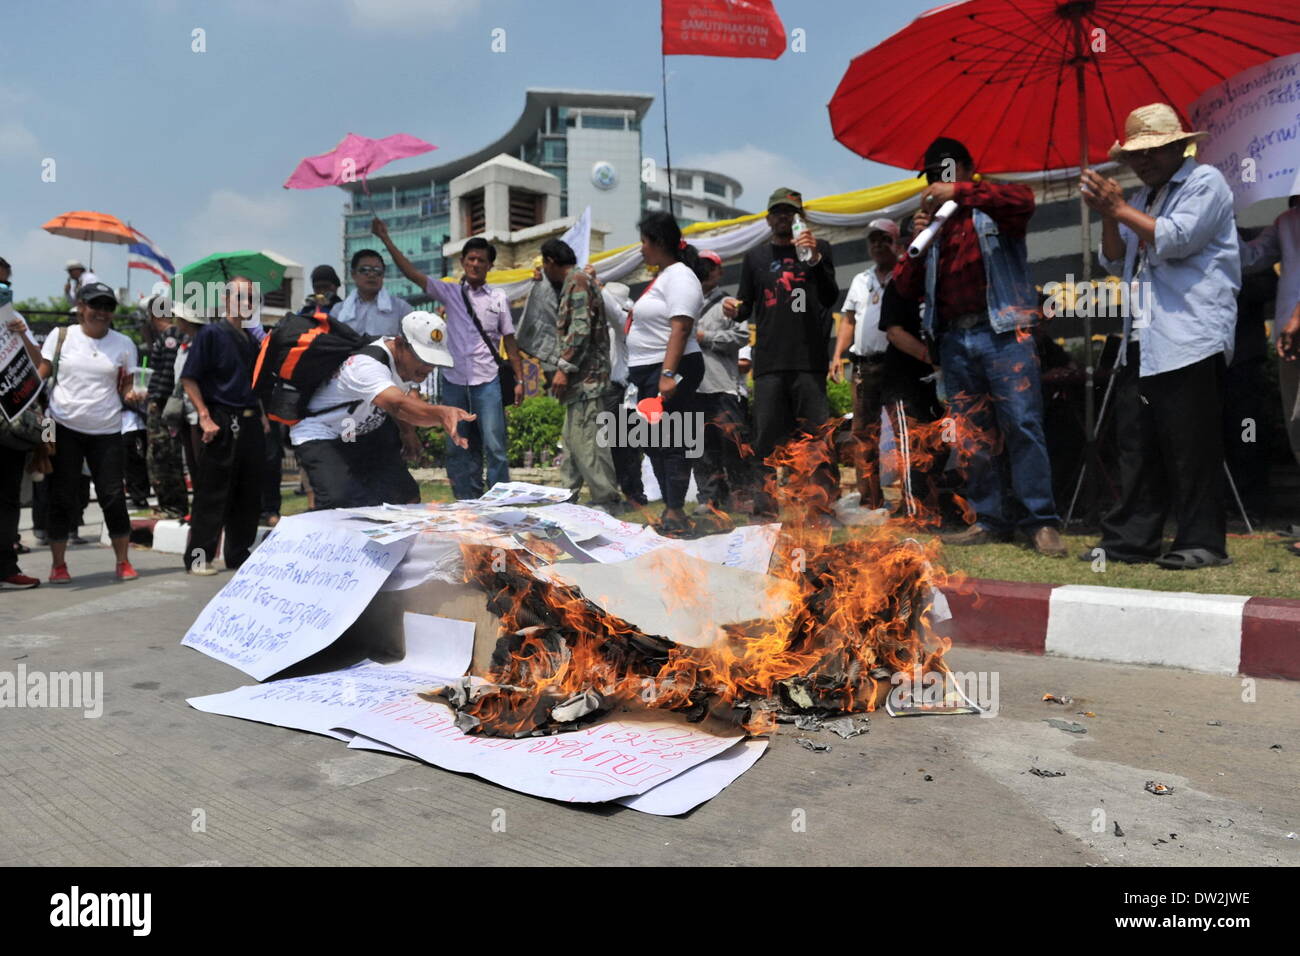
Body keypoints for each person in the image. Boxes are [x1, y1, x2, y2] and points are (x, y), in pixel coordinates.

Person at [1079, 103, 1241, 569]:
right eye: (1135, 155)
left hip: (1190, 334)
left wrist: (1120, 207)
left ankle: (1202, 542)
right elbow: (1114, 260)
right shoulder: (1144, 198)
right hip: (1144, 337)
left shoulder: (1204, 182)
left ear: (1178, 146)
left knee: (1191, 446)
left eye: (1152, 152)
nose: (1142, 162)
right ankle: (1130, 540)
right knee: (1136, 443)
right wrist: (1107, 214)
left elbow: (1176, 238)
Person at [894, 137, 1065, 557]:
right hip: (954, 338)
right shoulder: (934, 227)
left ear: (967, 170)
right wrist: (916, 248)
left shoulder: (993, 205)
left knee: (1022, 424)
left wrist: (962, 193)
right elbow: (903, 289)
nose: (939, 182)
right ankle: (988, 517)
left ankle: (1040, 521)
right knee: (971, 435)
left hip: (1004, 332)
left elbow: (1024, 200)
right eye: (934, 176)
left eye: (947, 173)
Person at [372, 219, 524, 499]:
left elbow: (510, 341)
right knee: (457, 445)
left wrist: (519, 379)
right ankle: (467, 502)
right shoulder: (449, 292)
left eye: (481, 260)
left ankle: (501, 503)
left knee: (495, 445)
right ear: (463, 262)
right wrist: (385, 239)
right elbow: (412, 274)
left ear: (490, 265)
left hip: (487, 381)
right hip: (454, 381)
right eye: (471, 259)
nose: (475, 264)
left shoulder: (499, 298)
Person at [723, 188, 840, 519]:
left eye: (790, 212)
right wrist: (734, 308)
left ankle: (820, 506)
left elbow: (831, 296)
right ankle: (765, 508)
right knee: (766, 441)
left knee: (817, 438)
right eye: (778, 212)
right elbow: (746, 305)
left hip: (809, 361)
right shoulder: (756, 258)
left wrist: (815, 260)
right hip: (770, 363)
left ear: (800, 217)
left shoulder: (821, 250)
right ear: (768, 218)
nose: (784, 218)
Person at [291, 312, 473, 509]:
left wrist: (407, 432)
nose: (429, 368)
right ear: (401, 343)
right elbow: (397, 404)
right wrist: (441, 413)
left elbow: (407, 396)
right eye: (423, 359)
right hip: (324, 431)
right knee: (340, 501)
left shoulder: (408, 364)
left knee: (405, 496)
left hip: (355, 429)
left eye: (433, 361)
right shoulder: (367, 365)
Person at [36, 283, 142, 582]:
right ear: (81, 307)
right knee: (62, 495)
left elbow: (127, 387)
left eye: (108, 307)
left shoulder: (124, 344)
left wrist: (133, 394)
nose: (102, 312)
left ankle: (123, 561)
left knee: (112, 496)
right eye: (95, 305)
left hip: (107, 429)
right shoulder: (61, 336)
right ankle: (58, 565)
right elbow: (41, 375)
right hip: (62, 426)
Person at [626, 212, 706, 536]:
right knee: (653, 441)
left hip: (672, 368)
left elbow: (682, 327)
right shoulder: (664, 277)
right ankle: (671, 508)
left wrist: (668, 374)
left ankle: (675, 511)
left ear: (658, 242)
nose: (641, 249)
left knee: (671, 440)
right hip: (650, 372)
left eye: (644, 241)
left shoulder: (680, 277)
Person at [180, 277, 267, 575]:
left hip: (251, 419)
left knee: (249, 491)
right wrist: (204, 415)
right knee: (212, 492)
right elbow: (189, 377)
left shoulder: (253, 339)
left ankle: (237, 553)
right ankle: (199, 557)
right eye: (241, 295)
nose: (247, 302)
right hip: (220, 417)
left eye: (251, 297)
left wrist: (264, 417)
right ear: (226, 299)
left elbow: (258, 385)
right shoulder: (210, 334)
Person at [537, 240, 623, 512]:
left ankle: (606, 499)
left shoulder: (577, 282)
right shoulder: (574, 283)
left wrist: (563, 369)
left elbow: (580, 329)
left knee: (589, 442)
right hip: (579, 383)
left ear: (550, 261)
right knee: (573, 442)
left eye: (543, 264)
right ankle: (567, 497)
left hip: (587, 380)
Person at [831, 218, 902, 513]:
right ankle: (870, 499)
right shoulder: (861, 279)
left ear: (897, 243)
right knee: (863, 434)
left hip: (898, 365)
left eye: (884, 239)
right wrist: (837, 356)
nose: (878, 245)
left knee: (903, 433)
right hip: (862, 365)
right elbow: (849, 320)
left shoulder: (905, 274)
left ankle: (913, 500)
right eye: (873, 240)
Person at [1242, 195, 1300, 526]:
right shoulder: (1286, 222)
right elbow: (1248, 259)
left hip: (1292, 331)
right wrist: (1220, 230)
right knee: (1296, 422)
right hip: (1289, 341)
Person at [877, 278, 945, 522]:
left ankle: (941, 508)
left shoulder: (943, 279)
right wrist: (933, 358)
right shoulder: (899, 284)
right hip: (903, 382)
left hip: (941, 383)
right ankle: (915, 513)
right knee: (911, 447)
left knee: (939, 448)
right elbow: (895, 334)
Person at [692, 248, 753, 519]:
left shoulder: (729, 303)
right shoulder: (684, 303)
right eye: (701, 266)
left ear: (719, 271)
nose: (706, 270)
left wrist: (705, 337)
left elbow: (742, 337)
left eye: (711, 266)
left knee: (733, 445)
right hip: (692, 387)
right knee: (701, 448)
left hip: (723, 386)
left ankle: (740, 495)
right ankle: (709, 497)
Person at [0, 273, 41, 588]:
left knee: (9, 498)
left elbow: (41, 364)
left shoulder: (15, 319)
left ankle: (7, 566)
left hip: (12, 425)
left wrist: (23, 335)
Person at [143, 296, 189, 518]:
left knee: (162, 456)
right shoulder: (172, 335)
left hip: (163, 405)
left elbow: (172, 373)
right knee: (163, 455)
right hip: (164, 404)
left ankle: (173, 506)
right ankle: (170, 504)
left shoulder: (170, 336)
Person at [331, 250, 412, 338]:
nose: (372, 275)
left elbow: (413, 343)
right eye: (365, 270)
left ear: (383, 275)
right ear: (353, 274)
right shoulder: (338, 311)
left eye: (377, 271)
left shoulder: (401, 308)